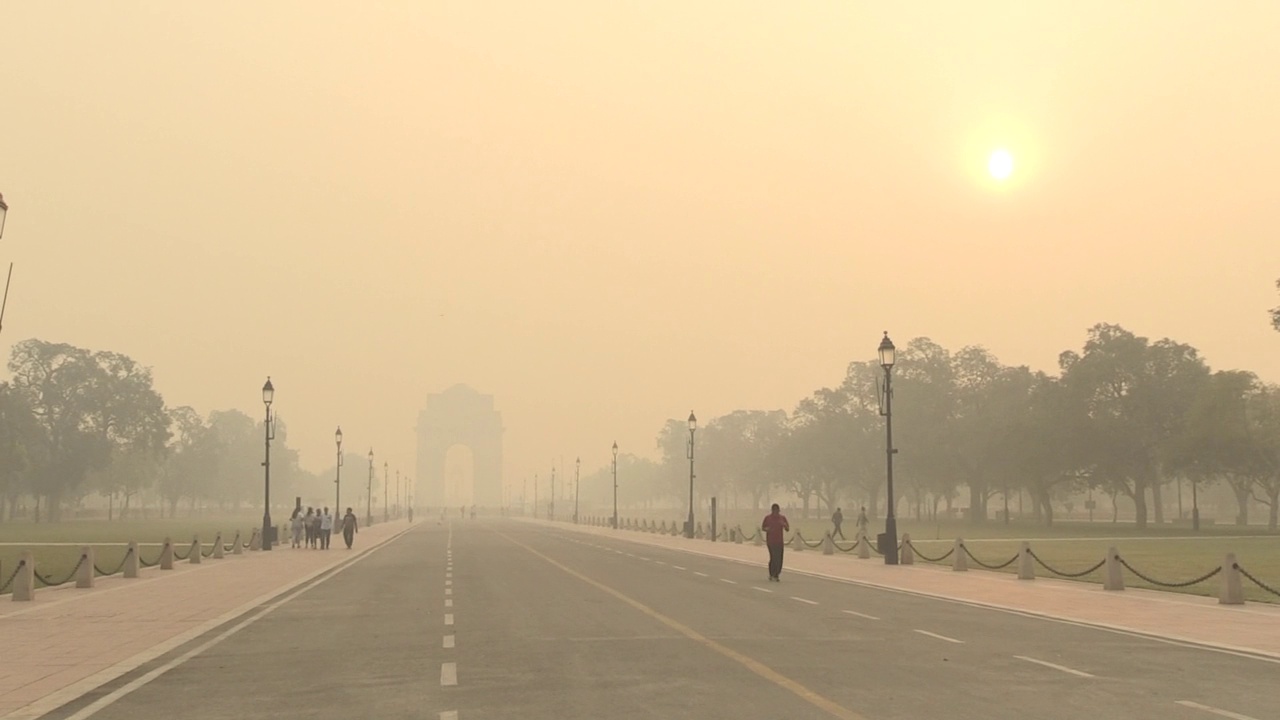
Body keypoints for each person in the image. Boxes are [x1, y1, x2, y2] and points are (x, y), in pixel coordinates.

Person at [761, 503, 790, 582]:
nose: (776, 513)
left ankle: (777, 573)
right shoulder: (768, 518)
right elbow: (763, 527)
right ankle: (772, 573)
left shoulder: (782, 518)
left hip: (779, 541)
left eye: (777, 511)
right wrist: (767, 529)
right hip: (771, 541)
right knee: (774, 557)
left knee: (779, 558)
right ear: (772, 511)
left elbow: (787, 529)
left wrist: (784, 525)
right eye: (775, 511)